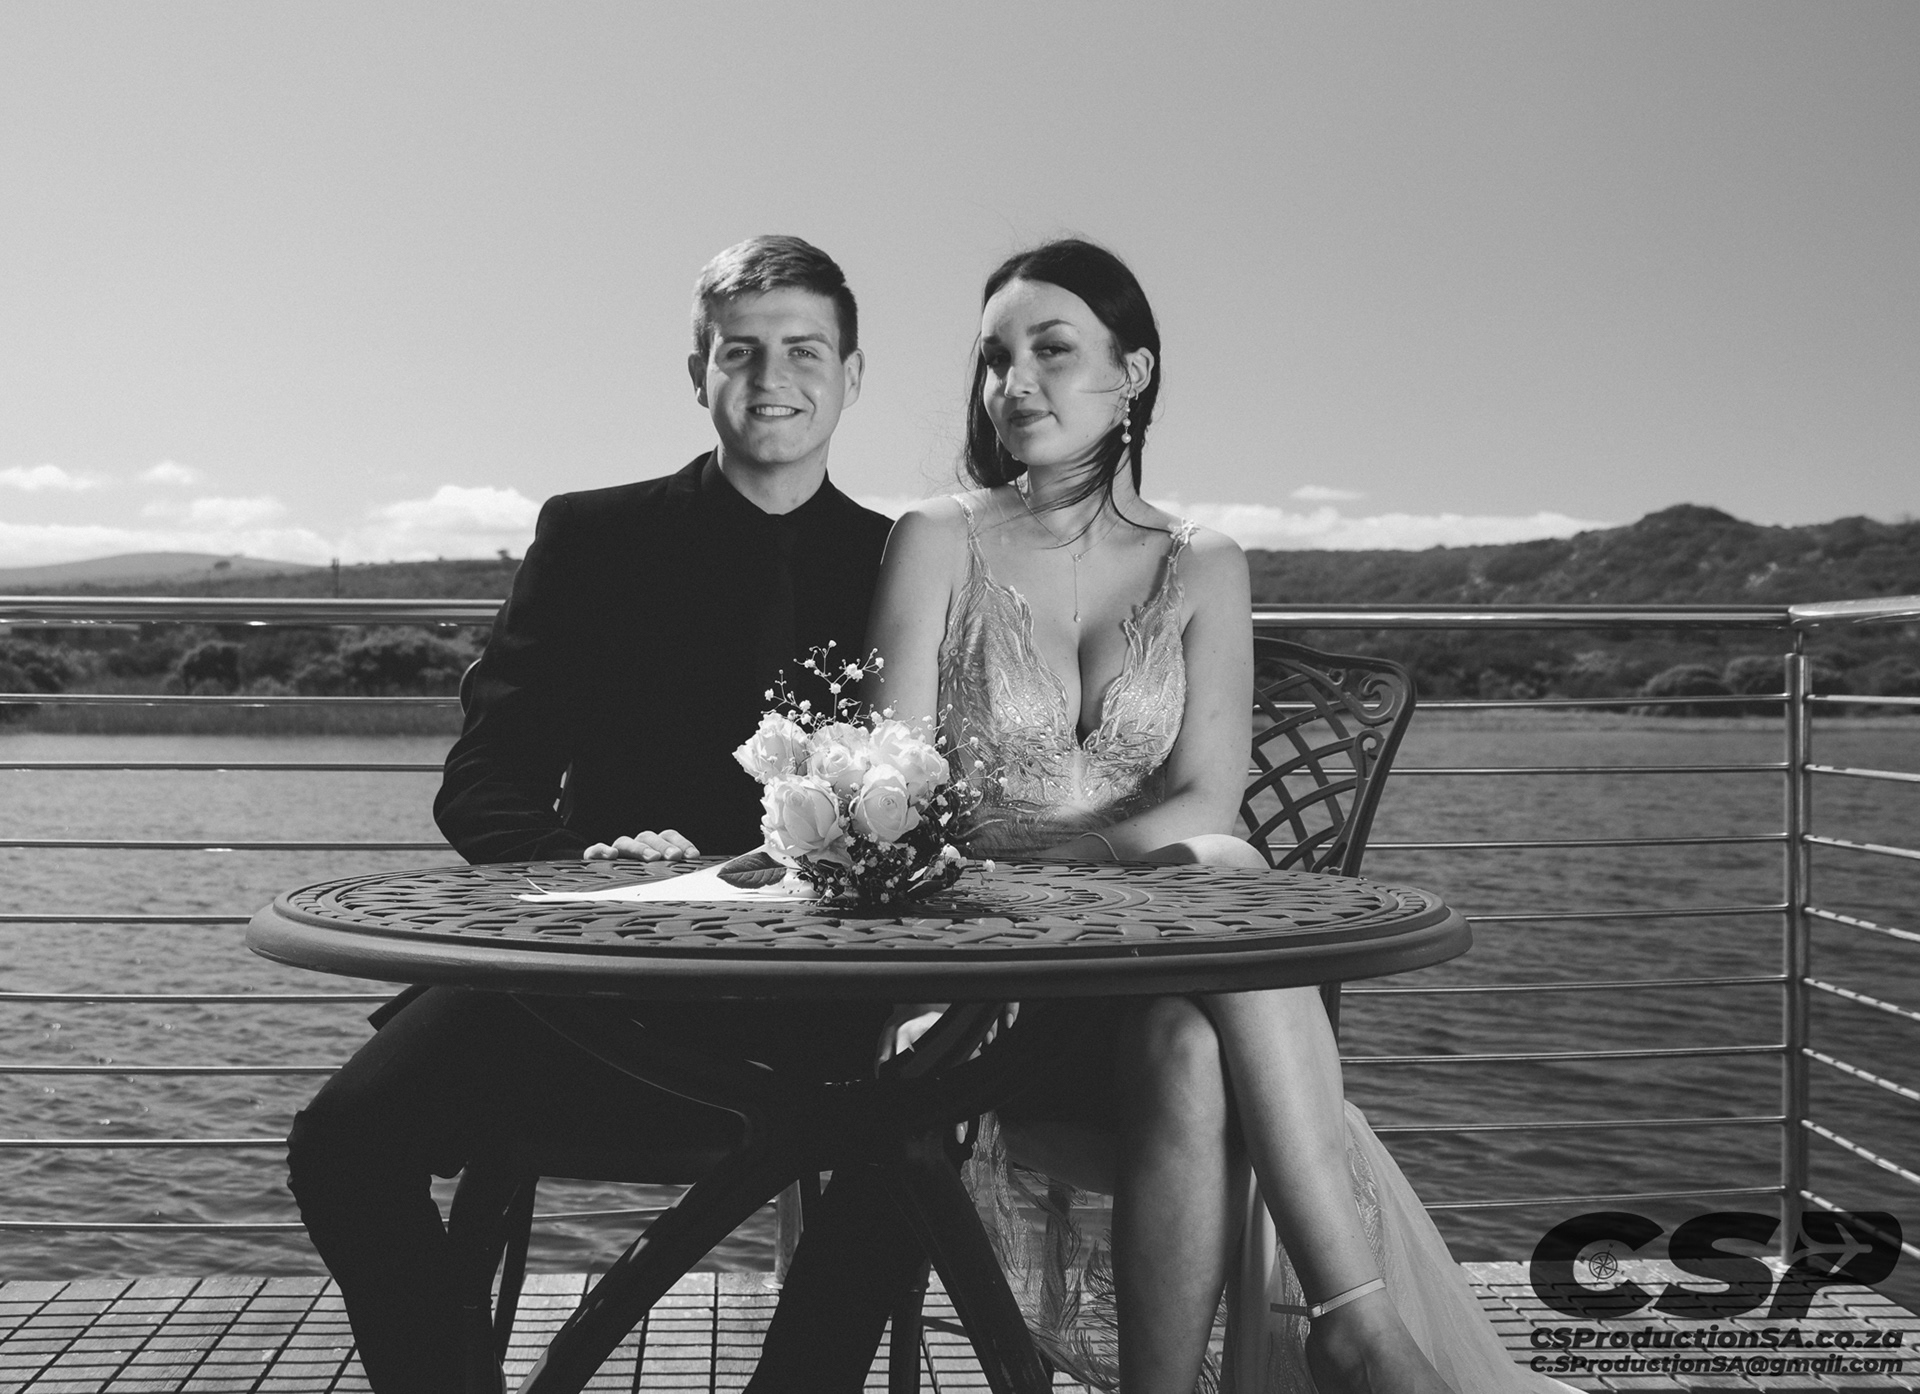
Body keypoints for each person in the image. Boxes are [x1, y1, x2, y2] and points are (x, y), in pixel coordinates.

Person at [865, 239, 1576, 1393]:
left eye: (1054, 350)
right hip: (980, 975)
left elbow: (1205, 790)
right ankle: (1358, 1323)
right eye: (996, 356)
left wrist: (1090, 864)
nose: (1015, 382)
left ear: (1133, 372)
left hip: (1141, 963)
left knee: (1192, 1016)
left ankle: (1327, 1333)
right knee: (1226, 868)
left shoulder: (1205, 563)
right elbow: (890, 791)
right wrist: (1048, 881)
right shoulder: (936, 539)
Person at [286, 235, 923, 1394]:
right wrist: (584, 862)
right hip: (580, 983)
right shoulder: (592, 536)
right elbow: (483, 775)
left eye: (803, 349)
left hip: (810, 1001)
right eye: (740, 350)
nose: (771, 377)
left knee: (924, 1132)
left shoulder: (902, 562)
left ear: (852, 373)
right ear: (697, 372)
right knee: (343, 1143)